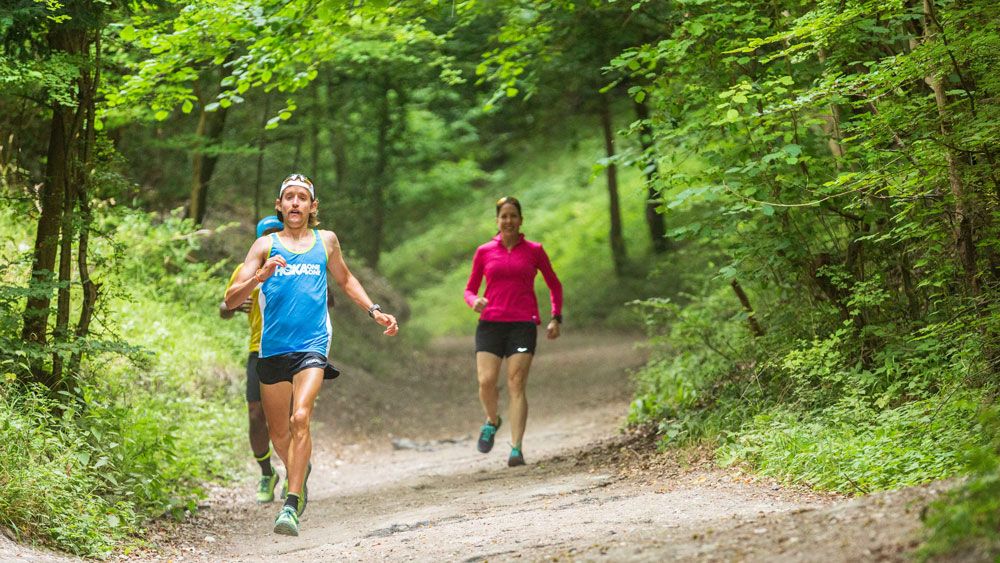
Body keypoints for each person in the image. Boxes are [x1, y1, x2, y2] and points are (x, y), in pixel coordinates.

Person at [225, 173, 399, 537]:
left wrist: (374, 310)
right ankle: (298, 475)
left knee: (300, 417)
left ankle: (290, 505)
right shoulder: (264, 245)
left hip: (311, 346)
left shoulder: (327, 241)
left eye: (302, 198)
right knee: (278, 432)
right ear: (279, 205)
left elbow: (346, 280)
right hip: (271, 349)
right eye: (288, 197)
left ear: (312, 206)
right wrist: (260, 275)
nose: (294, 203)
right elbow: (230, 300)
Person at [463, 196, 563, 467]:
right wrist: (475, 302)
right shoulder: (484, 251)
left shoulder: (534, 250)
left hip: (522, 324)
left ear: (521, 220)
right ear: (497, 221)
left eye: (513, 216)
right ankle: (492, 420)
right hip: (491, 323)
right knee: (486, 381)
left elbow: (555, 285)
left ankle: (516, 448)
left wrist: (556, 317)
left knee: (516, 383)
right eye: (503, 216)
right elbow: (469, 289)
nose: (508, 221)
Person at [220, 215, 285, 504]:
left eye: (276, 234)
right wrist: (239, 302)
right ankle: (266, 472)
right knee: (256, 415)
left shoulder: (297, 263)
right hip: (258, 349)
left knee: (289, 416)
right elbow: (225, 306)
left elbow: (327, 297)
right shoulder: (245, 269)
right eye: (267, 235)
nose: (272, 241)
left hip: (292, 348)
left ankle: (297, 475)